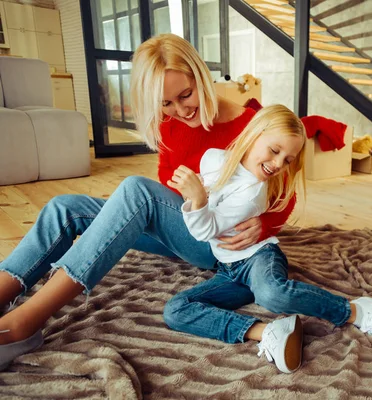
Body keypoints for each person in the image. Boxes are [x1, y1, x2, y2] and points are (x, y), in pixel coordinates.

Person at [0, 34, 294, 370]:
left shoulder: (252, 124)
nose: (180, 110)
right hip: (183, 226)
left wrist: (264, 223)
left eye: (186, 94)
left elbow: (287, 192)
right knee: (64, 208)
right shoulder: (169, 124)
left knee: (136, 191)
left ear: (200, 75)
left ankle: (23, 324)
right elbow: (166, 192)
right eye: (165, 103)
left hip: (216, 240)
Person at [163, 104, 372, 374]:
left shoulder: (253, 195)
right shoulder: (213, 159)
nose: (277, 164)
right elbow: (213, 182)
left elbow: (204, 231)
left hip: (258, 258)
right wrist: (201, 187)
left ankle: (356, 311)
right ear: (254, 135)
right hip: (228, 270)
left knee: (272, 293)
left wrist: (197, 199)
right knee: (176, 309)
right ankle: (265, 331)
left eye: (287, 160)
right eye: (274, 151)